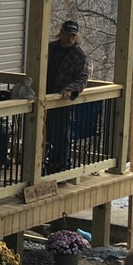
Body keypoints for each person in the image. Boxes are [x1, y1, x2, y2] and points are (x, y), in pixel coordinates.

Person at [45, 19, 89, 172]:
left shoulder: (79, 55)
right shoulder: (50, 48)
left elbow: (82, 78)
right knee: (43, 133)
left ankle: (61, 166)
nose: (70, 38)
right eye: (68, 34)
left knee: (61, 135)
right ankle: (45, 163)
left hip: (62, 102)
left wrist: (70, 90)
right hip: (44, 98)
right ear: (61, 33)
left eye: (73, 35)